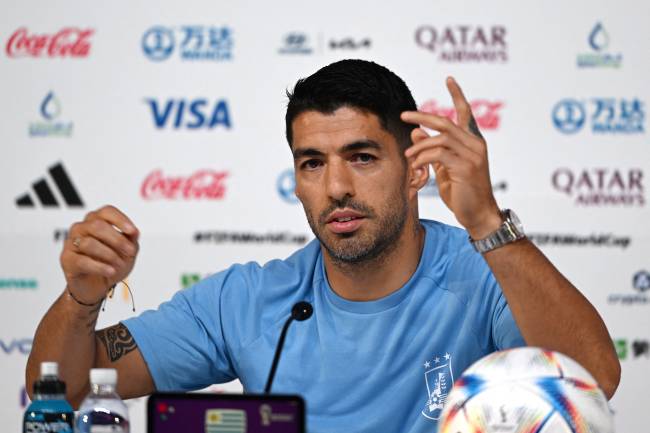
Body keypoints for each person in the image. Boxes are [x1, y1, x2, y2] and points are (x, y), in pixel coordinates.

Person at [26, 59, 620, 433]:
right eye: (313, 163)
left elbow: (594, 378)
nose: (335, 187)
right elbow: (62, 389)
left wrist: (488, 221)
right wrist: (81, 299)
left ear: (415, 168)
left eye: (362, 157)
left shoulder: (482, 271)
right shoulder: (250, 298)